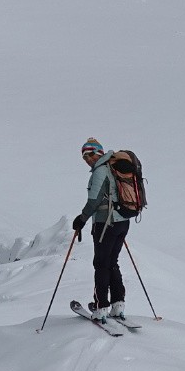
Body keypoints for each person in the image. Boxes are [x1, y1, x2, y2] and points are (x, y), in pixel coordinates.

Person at [71, 137, 129, 323]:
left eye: (89, 154)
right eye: (84, 157)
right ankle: (118, 304)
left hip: (105, 224)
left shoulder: (100, 171)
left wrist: (81, 218)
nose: (87, 159)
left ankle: (101, 307)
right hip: (121, 222)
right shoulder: (113, 169)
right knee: (112, 262)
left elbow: (94, 200)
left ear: (98, 153)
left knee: (101, 265)